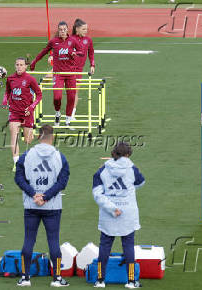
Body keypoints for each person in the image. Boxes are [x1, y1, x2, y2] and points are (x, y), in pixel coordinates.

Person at [14, 125, 70, 287]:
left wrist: (34, 194)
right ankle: (57, 278)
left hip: (31, 205)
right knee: (53, 241)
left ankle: (25, 278)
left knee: (28, 240)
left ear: (39, 136)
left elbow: (19, 178)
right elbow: (62, 182)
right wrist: (46, 197)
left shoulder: (27, 155)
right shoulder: (60, 157)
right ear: (52, 137)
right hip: (52, 206)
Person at [91, 142, 145, 289]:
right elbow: (141, 182)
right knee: (128, 246)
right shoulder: (132, 168)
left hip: (108, 215)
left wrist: (112, 208)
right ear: (127, 155)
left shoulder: (102, 170)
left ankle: (100, 280)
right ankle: (132, 281)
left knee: (104, 246)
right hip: (128, 212)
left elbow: (97, 194)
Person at [30, 21, 82, 127]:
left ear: (67, 30)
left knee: (71, 97)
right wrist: (34, 61)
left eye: (64, 29)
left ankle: (67, 119)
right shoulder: (54, 41)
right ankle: (57, 113)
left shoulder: (73, 40)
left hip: (71, 74)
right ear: (58, 30)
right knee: (57, 97)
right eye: (60, 29)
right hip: (58, 74)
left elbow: (81, 52)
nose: (62, 31)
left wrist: (74, 53)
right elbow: (44, 52)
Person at [2, 57, 42, 172]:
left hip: (27, 112)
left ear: (26, 66)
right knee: (14, 135)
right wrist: (5, 100)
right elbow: (7, 91)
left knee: (28, 140)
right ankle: (17, 163)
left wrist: (31, 107)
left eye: (21, 65)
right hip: (14, 111)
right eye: (17, 64)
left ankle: (28, 135)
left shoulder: (30, 79)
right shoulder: (10, 79)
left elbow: (39, 95)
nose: (19, 67)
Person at [71, 18, 95, 120]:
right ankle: (36, 87)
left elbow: (91, 53)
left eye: (86, 29)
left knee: (75, 92)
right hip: (67, 67)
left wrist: (92, 65)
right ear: (77, 29)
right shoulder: (70, 39)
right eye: (84, 29)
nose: (86, 31)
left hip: (78, 70)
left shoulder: (88, 40)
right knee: (50, 76)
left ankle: (72, 114)